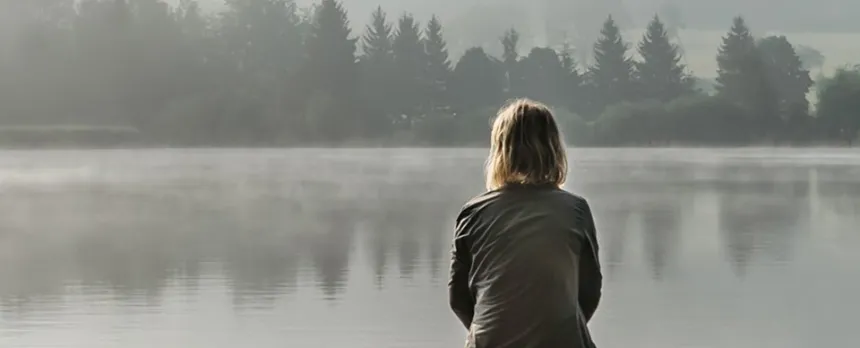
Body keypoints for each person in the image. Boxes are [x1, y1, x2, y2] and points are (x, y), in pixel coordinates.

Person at [448, 99, 603, 348]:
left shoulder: (473, 213)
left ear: (499, 150)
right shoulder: (576, 211)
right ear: (553, 149)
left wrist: (497, 331)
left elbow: (459, 299)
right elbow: (589, 291)